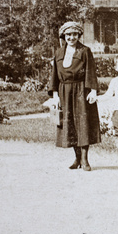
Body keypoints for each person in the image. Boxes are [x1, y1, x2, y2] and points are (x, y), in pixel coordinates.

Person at [48, 21, 100, 171]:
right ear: (63, 35)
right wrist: (55, 96)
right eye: (68, 34)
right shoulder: (58, 53)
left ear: (79, 35)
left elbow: (91, 72)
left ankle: (85, 159)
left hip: (81, 91)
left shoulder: (85, 51)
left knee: (83, 123)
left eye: (75, 34)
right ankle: (76, 158)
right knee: (69, 124)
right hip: (64, 92)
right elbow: (54, 77)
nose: (71, 37)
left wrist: (93, 91)